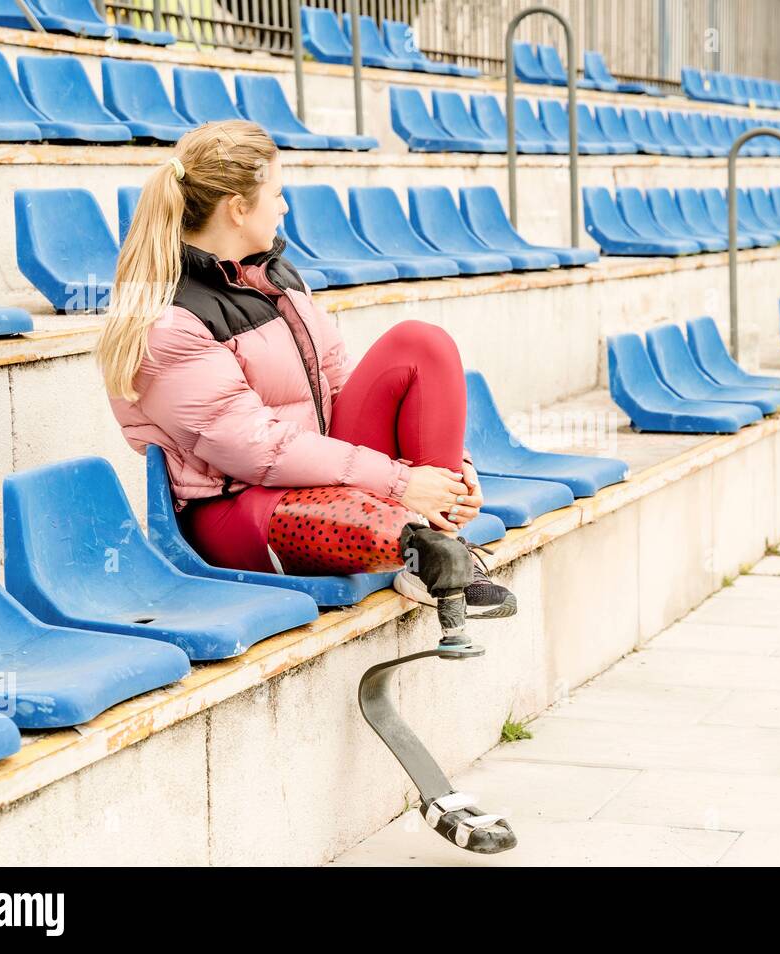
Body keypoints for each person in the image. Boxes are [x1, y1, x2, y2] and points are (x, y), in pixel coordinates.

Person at [96, 120, 514, 619]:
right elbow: (258, 449)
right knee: (374, 514)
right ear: (237, 207)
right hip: (239, 505)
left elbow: (340, 385)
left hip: (320, 470)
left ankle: (441, 545)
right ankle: (430, 555)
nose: (285, 206)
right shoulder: (170, 320)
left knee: (422, 343)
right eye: (277, 193)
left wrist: (450, 476)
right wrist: (402, 483)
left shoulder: (277, 279)